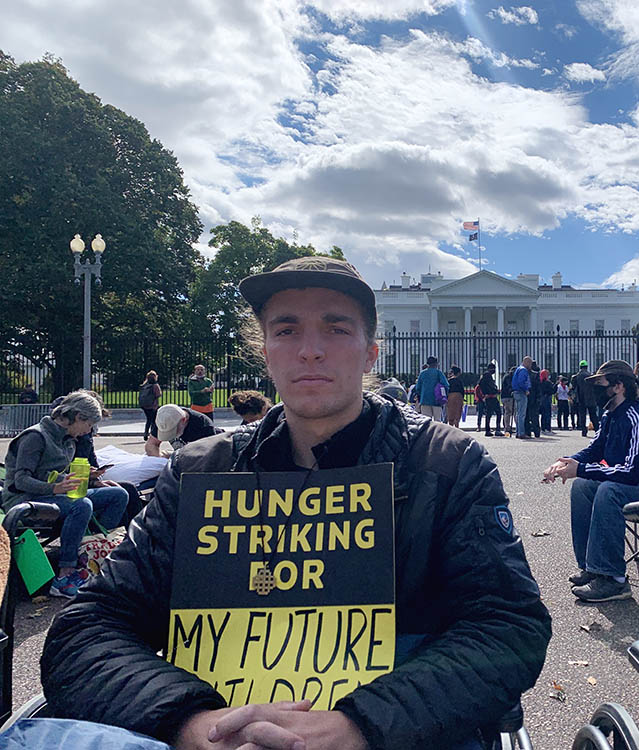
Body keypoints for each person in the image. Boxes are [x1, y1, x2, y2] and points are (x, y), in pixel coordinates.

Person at [40, 255, 551, 750]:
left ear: (371, 351)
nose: (311, 351)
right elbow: (89, 627)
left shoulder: (447, 464)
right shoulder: (199, 471)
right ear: (264, 351)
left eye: (336, 328)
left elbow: (507, 625)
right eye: (286, 330)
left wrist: (359, 726)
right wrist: (196, 724)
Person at [542, 360, 639, 602]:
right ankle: (592, 566)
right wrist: (566, 463)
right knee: (582, 486)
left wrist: (581, 468)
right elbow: (594, 451)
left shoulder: (638, 417)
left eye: (600, 384)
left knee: (608, 490)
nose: (596, 390)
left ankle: (614, 580)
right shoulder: (611, 415)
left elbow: (631, 472)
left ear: (619, 386)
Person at [1, 390, 128, 598]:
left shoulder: (68, 439)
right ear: (78, 417)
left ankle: (94, 554)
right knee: (82, 504)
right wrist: (56, 488)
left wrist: (89, 480)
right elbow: (20, 481)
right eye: (89, 425)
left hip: (50, 495)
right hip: (23, 500)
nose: (89, 431)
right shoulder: (35, 436)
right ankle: (65, 575)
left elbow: (54, 475)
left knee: (118, 494)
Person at [145, 403, 223, 456]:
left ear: (184, 420)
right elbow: (151, 444)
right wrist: (159, 460)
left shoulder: (203, 426)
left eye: (173, 430)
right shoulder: (164, 417)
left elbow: (207, 458)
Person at [415, 355, 448, 421]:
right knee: (437, 420)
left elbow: (418, 388)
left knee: (426, 421)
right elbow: (446, 385)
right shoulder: (439, 373)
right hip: (437, 400)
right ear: (436, 363)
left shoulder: (422, 373)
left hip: (424, 400)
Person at [572, 360, 599, 438]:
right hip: (591, 398)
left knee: (582, 415)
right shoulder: (590, 376)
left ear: (580, 367)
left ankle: (584, 431)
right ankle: (597, 430)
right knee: (593, 415)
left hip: (581, 398)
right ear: (586, 367)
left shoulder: (576, 376)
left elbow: (573, 387)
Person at [478, 364, 502, 437]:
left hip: (489, 397)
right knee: (498, 413)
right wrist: (492, 390)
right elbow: (486, 385)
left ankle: (488, 430)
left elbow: (480, 384)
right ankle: (497, 429)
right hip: (491, 397)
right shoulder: (487, 375)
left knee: (489, 414)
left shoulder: (485, 375)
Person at [512, 356, 532, 439]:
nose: (530, 365)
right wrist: (526, 389)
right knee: (521, 414)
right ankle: (521, 433)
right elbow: (521, 382)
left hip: (516, 392)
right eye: (530, 363)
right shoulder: (523, 370)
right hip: (521, 393)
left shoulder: (518, 369)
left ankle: (518, 432)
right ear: (526, 362)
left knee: (518, 414)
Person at [138, 370, 162, 440]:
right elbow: (158, 394)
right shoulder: (155, 385)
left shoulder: (144, 385)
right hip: (153, 406)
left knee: (149, 420)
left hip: (145, 406)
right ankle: (152, 434)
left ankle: (146, 433)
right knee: (154, 421)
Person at [538, 369, 556, 434]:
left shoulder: (540, 382)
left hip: (541, 399)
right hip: (547, 399)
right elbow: (552, 391)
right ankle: (547, 428)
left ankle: (543, 428)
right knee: (547, 414)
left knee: (543, 415)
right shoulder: (548, 383)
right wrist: (555, 384)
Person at [501, 366, 515, 436]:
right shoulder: (509, 377)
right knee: (509, 412)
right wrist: (513, 391)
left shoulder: (506, 376)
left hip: (504, 396)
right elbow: (509, 386)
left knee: (507, 412)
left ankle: (507, 427)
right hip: (508, 396)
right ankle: (507, 427)